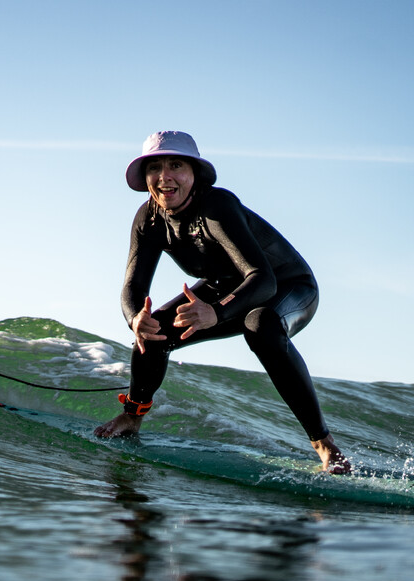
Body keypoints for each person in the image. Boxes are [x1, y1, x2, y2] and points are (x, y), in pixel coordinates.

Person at [94, 131, 351, 474]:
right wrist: (134, 317)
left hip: (286, 286)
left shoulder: (217, 206)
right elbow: (134, 284)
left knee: (261, 327)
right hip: (223, 288)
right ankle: (133, 416)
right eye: (154, 167)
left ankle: (324, 445)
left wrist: (215, 312)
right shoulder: (149, 219)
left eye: (176, 165)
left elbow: (262, 278)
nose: (164, 176)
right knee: (152, 329)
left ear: (195, 174)